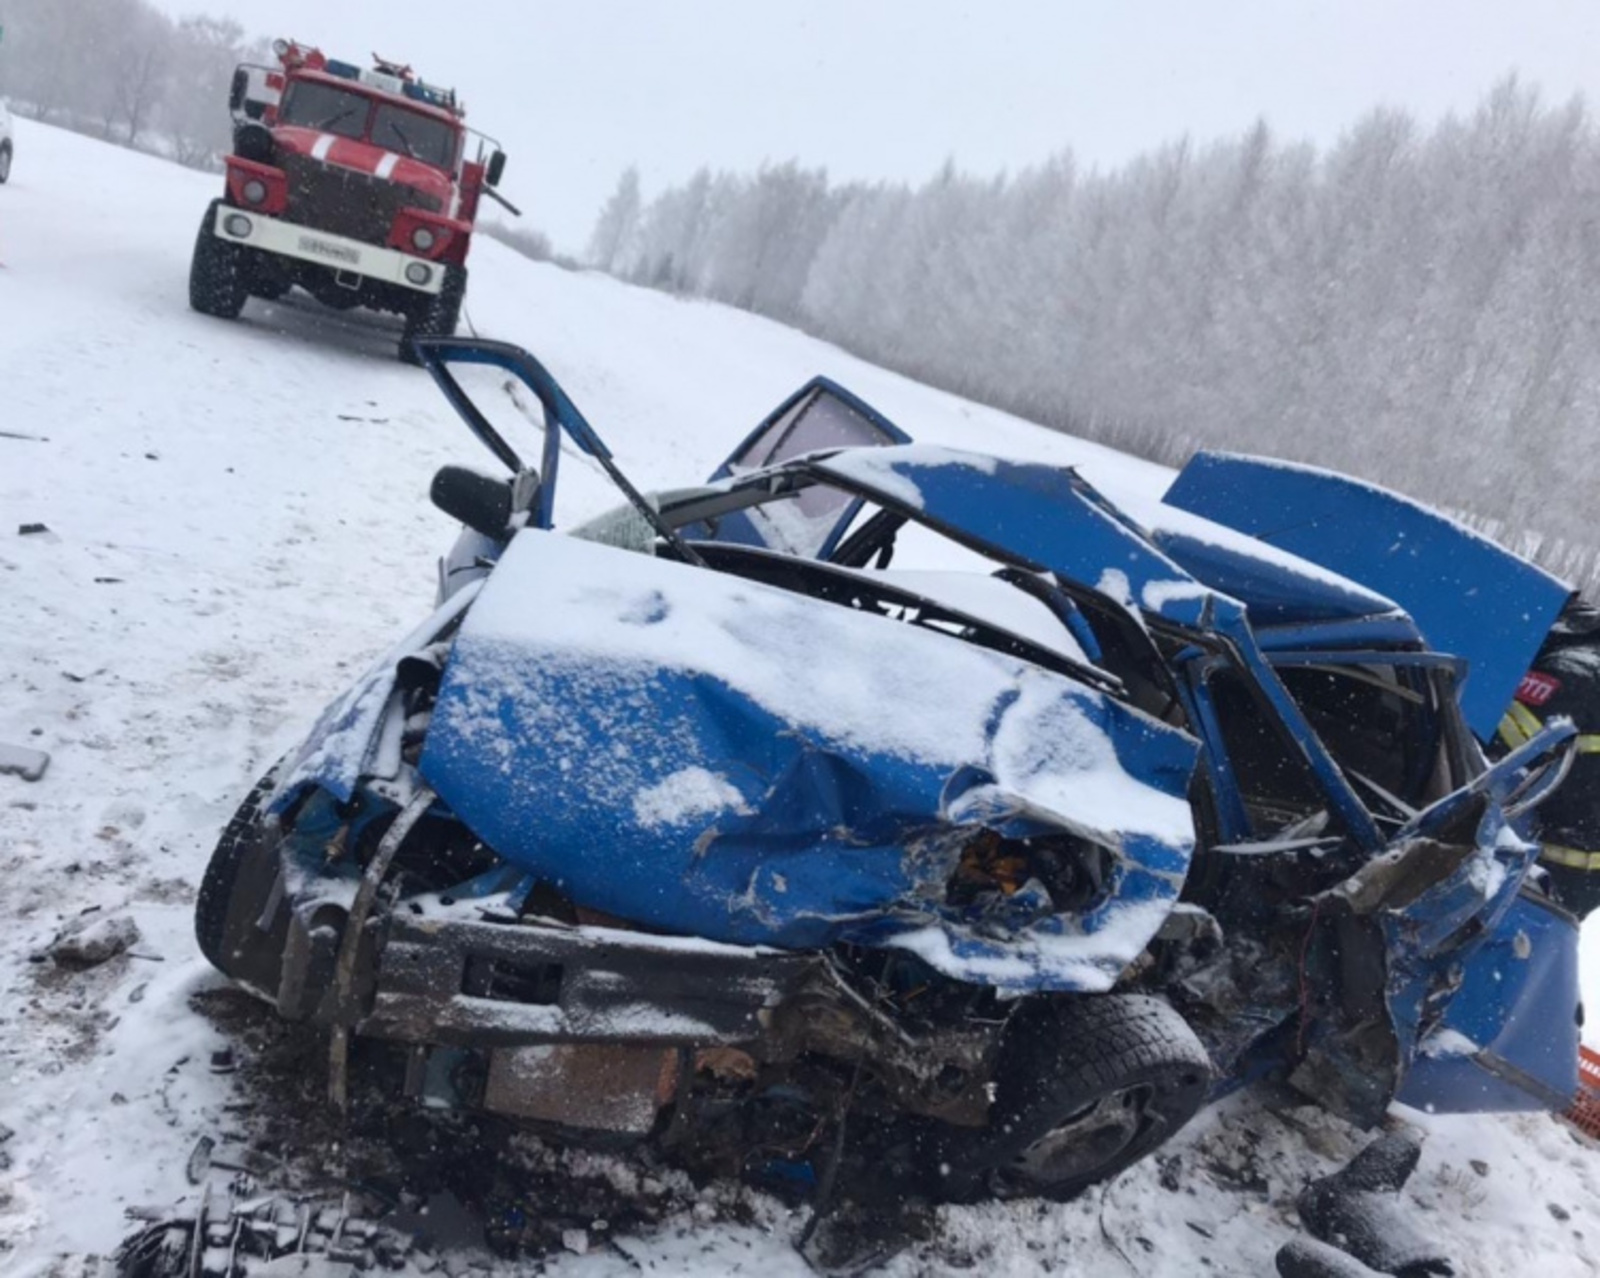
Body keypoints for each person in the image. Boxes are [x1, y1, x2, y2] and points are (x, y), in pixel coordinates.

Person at [1496, 594, 1600, 917]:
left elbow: (1497, 756)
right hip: (1572, 868)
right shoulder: (1584, 667)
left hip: (1532, 864)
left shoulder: (1571, 671)